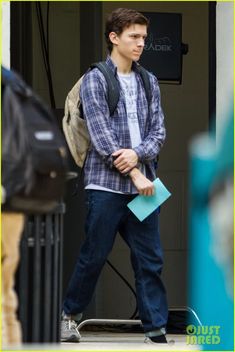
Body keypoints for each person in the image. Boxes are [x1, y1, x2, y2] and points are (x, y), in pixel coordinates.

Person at [61, 8, 168, 344]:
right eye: (134, 37)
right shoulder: (95, 79)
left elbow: (159, 131)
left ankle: (155, 328)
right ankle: (68, 317)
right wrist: (134, 172)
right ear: (114, 37)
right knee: (94, 254)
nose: (140, 44)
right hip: (106, 185)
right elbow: (102, 136)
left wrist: (138, 155)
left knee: (150, 258)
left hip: (146, 185)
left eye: (144, 38)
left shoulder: (149, 81)